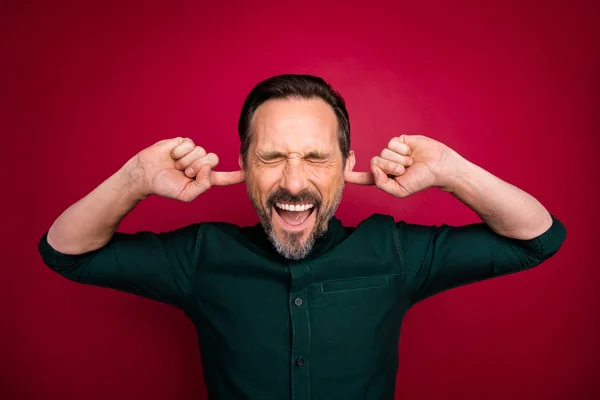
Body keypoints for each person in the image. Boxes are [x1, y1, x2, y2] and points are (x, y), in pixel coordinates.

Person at [38, 74, 566, 399]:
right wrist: (135, 177)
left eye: (316, 158)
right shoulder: (201, 256)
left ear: (346, 166)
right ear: (243, 164)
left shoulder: (395, 253)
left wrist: (453, 170)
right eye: (271, 157)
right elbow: (66, 253)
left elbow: (537, 239)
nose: (293, 182)